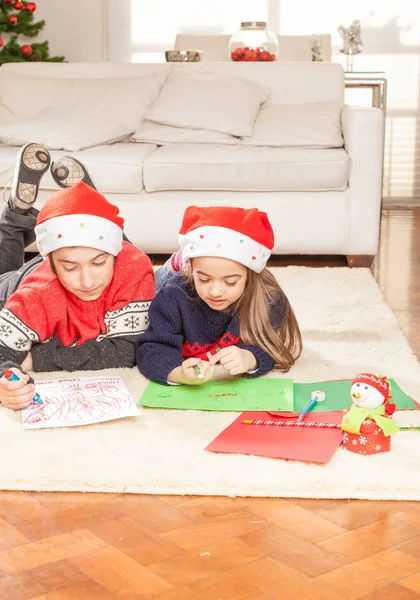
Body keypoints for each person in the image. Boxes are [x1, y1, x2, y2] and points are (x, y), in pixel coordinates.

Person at [0, 143, 155, 410]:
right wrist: (6, 382)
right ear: (51, 263)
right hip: (18, 282)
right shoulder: (38, 293)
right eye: (71, 268)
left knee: (118, 251)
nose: (87, 282)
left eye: (99, 263)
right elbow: (3, 355)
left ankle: (84, 203)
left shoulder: (134, 266)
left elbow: (130, 350)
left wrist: (37, 359)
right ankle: (16, 213)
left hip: (99, 252)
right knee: (5, 274)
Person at [136, 205, 302, 385]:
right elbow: (151, 348)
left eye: (230, 282)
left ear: (250, 276)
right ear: (191, 270)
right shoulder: (172, 297)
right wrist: (177, 373)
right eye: (204, 279)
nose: (215, 292)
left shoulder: (268, 300)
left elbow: (273, 347)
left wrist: (250, 358)